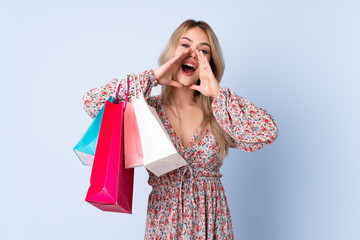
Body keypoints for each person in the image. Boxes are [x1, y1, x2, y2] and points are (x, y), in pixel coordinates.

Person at [83, 19, 278, 239]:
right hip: (164, 224)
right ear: (172, 52)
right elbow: (92, 103)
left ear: (210, 64)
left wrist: (217, 93)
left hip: (212, 223)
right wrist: (153, 78)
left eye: (203, 50)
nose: (193, 53)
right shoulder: (147, 109)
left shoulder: (220, 113)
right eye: (185, 45)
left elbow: (266, 132)